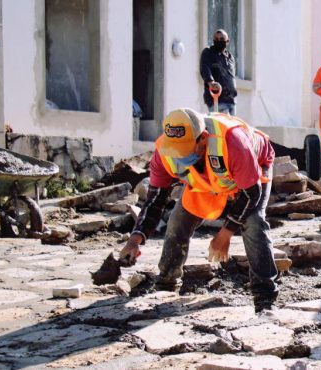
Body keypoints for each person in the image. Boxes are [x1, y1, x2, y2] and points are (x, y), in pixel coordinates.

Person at [119, 108, 278, 312]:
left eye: (183, 150)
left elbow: (251, 194)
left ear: (203, 138)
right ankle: (166, 285)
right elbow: (155, 200)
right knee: (178, 220)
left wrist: (225, 234)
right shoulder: (164, 153)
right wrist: (134, 240)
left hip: (251, 170)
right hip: (208, 179)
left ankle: (264, 297)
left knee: (254, 221)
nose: (177, 155)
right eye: (174, 150)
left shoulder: (234, 144)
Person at [200, 29, 238, 115]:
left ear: (227, 41)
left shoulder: (230, 57)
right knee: (220, 127)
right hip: (217, 100)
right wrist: (211, 82)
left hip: (232, 101)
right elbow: (205, 68)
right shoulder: (208, 52)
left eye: (221, 39)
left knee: (231, 127)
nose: (218, 41)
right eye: (216, 39)